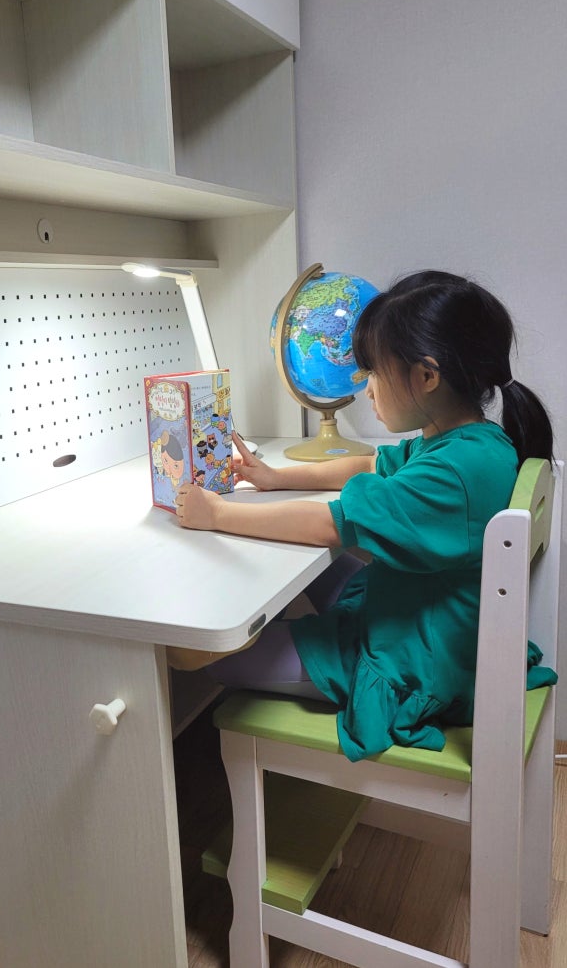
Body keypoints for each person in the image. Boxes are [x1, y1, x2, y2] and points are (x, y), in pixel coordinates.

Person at [174, 270, 556, 761]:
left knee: (216, 665)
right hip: (430, 617)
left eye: (374, 372)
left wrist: (217, 514)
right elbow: (370, 464)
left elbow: (328, 526)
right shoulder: (469, 442)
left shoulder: (453, 472)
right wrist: (274, 477)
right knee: (316, 575)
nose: (366, 389)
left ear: (427, 376)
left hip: (417, 658)